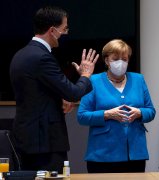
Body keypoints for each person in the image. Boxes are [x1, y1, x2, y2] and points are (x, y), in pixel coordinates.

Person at [9, 6, 99, 172]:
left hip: (26, 139)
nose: (66, 33)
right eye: (64, 29)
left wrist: (60, 100)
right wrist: (85, 75)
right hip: (44, 143)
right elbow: (73, 93)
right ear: (52, 30)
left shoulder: (21, 54)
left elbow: (35, 94)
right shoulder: (42, 57)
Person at [77, 39, 156, 173]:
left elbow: (151, 111)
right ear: (107, 60)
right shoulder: (93, 81)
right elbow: (82, 116)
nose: (121, 63)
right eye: (116, 58)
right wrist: (106, 114)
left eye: (124, 59)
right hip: (102, 155)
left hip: (135, 154)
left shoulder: (138, 79)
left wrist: (140, 112)